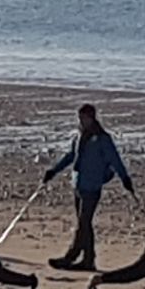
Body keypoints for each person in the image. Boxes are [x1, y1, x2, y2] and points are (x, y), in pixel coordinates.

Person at [42, 103, 135, 271]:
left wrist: (125, 178)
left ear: (92, 118)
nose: (81, 121)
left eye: (84, 118)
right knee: (84, 223)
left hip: (92, 187)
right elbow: (71, 156)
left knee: (83, 223)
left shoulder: (102, 138)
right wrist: (54, 171)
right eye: (80, 118)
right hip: (78, 184)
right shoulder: (79, 136)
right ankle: (88, 260)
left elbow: (115, 160)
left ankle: (71, 257)